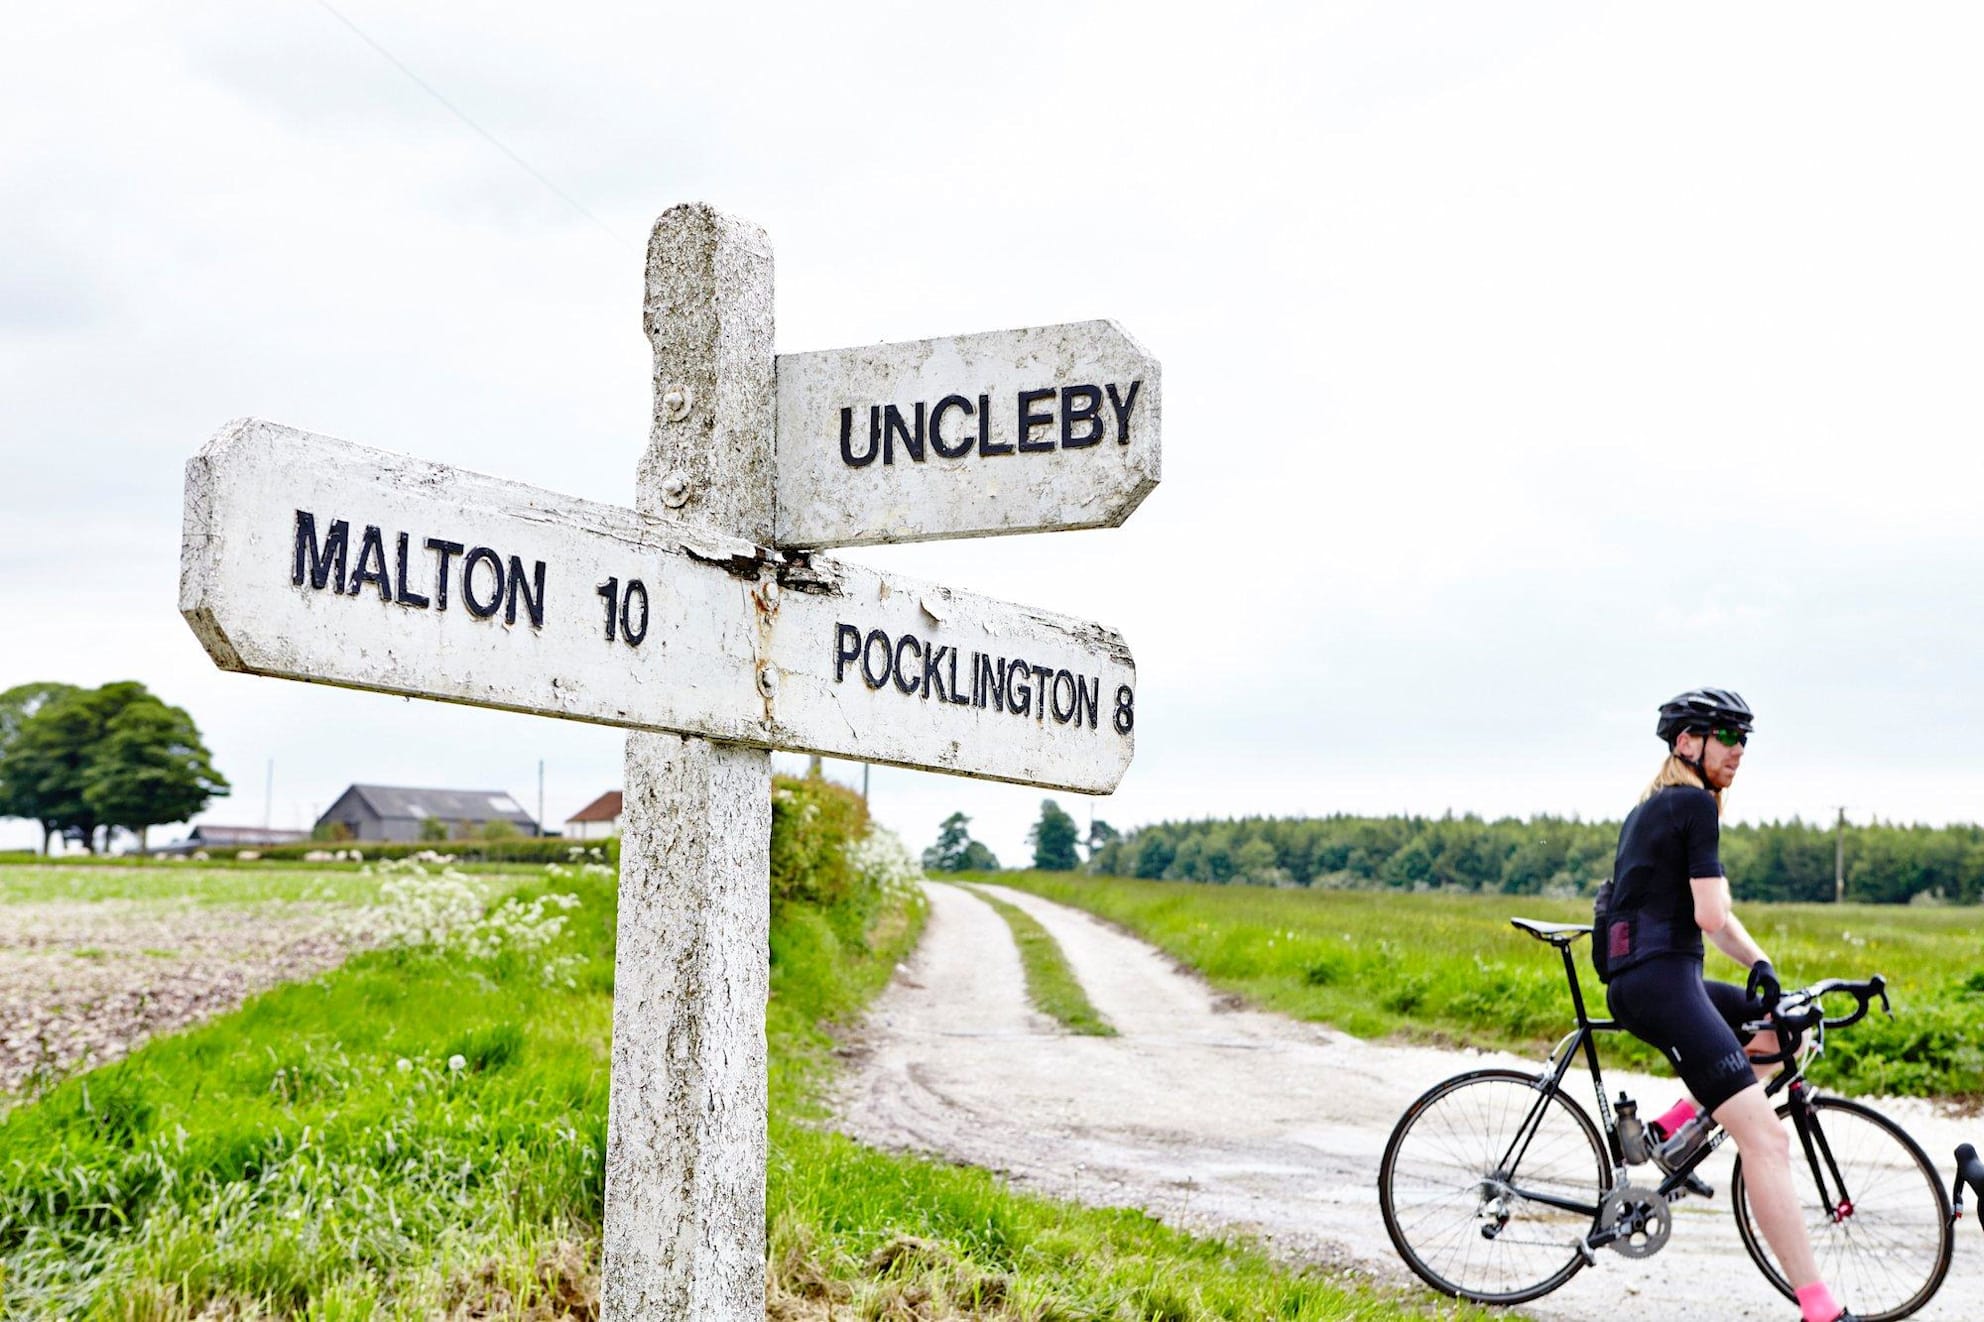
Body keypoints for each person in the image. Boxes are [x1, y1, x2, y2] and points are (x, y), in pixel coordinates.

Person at [1599, 688, 1856, 1322]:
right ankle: (1819, 1308)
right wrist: (1753, 961)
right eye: (1726, 736)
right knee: (1766, 1142)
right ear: (1688, 741)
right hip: (1662, 983)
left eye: (1746, 738)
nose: (1739, 750)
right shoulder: (1693, 805)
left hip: (1652, 977)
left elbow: (1710, 920)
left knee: (1783, 1037)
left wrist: (1760, 965)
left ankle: (1667, 1130)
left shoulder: (1655, 805)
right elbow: (1712, 914)